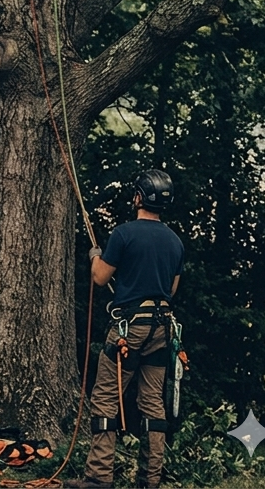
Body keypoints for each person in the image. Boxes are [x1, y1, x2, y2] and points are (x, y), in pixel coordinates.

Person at [66, 170, 184, 489]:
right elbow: (171, 290)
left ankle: (99, 477)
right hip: (162, 328)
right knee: (152, 403)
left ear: (138, 197)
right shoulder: (175, 242)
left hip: (130, 328)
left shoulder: (124, 234)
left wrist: (96, 256)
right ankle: (150, 479)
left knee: (106, 397)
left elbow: (100, 277)